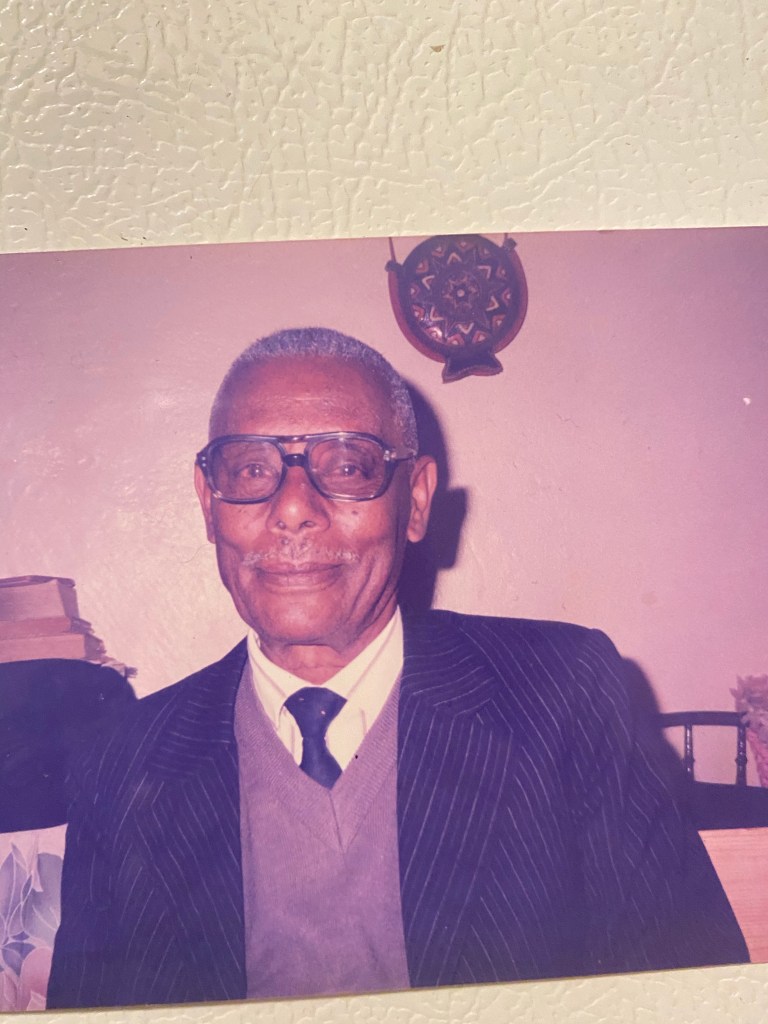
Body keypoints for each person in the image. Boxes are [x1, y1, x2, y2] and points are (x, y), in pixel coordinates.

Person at [47, 328, 748, 1009]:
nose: (292, 510)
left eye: (348, 466)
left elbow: (688, 993)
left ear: (415, 501)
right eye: (252, 470)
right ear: (209, 506)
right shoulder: (121, 762)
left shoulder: (565, 695)